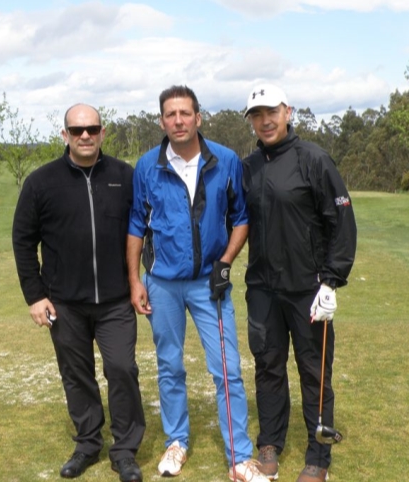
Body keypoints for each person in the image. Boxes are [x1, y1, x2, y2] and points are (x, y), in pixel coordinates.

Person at [127, 85, 270, 482]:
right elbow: (137, 224)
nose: (178, 121)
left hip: (211, 283)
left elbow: (241, 218)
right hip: (162, 283)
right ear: (161, 121)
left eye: (185, 113)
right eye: (170, 114)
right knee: (170, 366)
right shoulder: (147, 166)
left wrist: (225, 263)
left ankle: (240, 458)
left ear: (198, 118)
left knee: (227, 370)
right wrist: (134, 280)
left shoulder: (224, 160)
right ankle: (177, 442)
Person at [12, 103, 145, 482]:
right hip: (64, 303)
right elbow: (23, 241)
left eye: (92, 129)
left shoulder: (124, 175)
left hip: (116, 300)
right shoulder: (41, 182)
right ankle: (88, 444)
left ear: (103, 132)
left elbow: (141, 231)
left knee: (121, 369)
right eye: (76, 130)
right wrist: (35, 295)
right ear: (65, 135)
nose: (84, 135)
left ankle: (125, 451)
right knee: (76, 374)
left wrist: (140, 280)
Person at [241, 84, 357, 482]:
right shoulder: (249, 166)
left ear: (287, 111)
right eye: (256, 115)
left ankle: (318, 457)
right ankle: (270, 442)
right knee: (268, 367)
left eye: (271, 111)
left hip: (309, 289)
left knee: (314, 372)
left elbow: (340, 222)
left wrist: (331, 281)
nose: (265, 120)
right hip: (263, 288)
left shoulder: (314, 159)